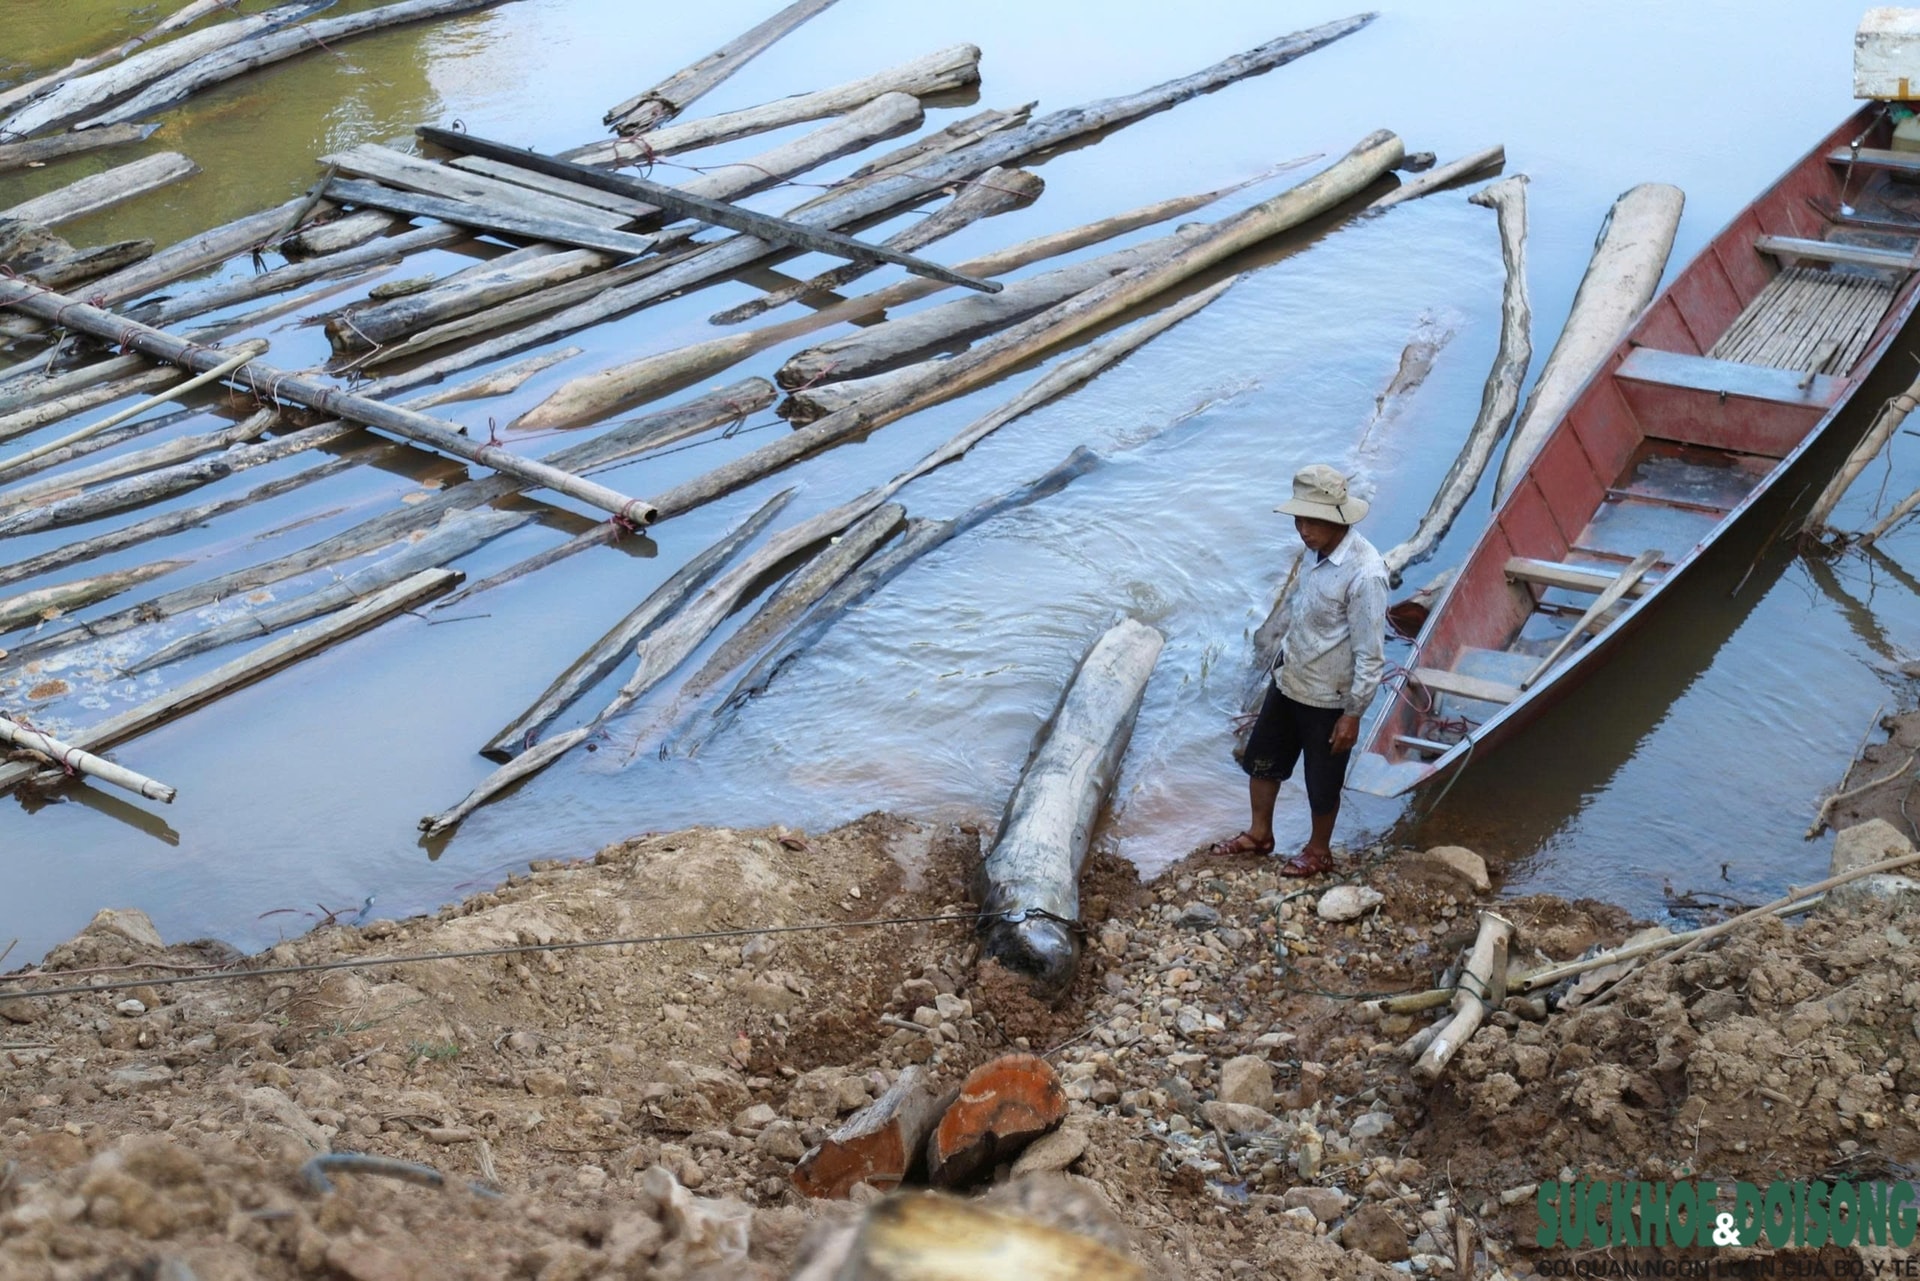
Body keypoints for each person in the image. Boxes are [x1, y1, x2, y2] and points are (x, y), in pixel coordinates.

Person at [1212, 464, 1389, 876]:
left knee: (1321, 779)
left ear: (1337, 518)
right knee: (1261, 760)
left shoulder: (1365, 574)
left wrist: (1353, 714)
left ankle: (1318, 851)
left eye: (1313, 520)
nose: (1303, 529)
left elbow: (1371, 654)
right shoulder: (1315, 554)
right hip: (1291, 679)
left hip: (1330, 695)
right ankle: (1260, 835)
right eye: (1299, 519)